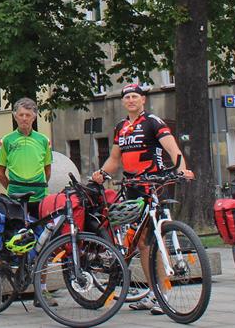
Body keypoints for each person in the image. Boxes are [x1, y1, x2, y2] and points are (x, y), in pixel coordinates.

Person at [90, 83, 194, 315]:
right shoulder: (121, 127)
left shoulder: (153, 122)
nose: (131, 100)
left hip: (153, 185)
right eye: (127, 97)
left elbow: (173, 149)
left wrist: (182, 170)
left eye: (135, 96)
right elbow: (114, 159)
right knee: (142, 243)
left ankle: (162, 293)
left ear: (143, 99)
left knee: (154, 239)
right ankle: (154, 292)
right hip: (132, 187)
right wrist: (102, 174)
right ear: (123, 101)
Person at [0, 97, 52, 218]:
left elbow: (48, 171)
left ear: (34, 117)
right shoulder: (6, 140)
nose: (24, 118)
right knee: (17, 228)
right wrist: (12, 187)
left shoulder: (44, 140)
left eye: (28, 115)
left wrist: (39, 185)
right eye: (21, 115)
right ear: (15, 116)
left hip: (40, 196)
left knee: (41, 228)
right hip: (15, 197)